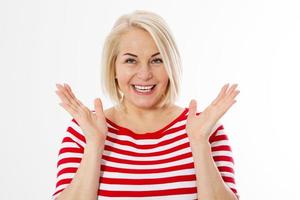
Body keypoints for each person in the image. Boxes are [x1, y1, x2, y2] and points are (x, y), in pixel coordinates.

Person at [52, 10, 240, 200]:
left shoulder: (206, 130)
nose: (144, 74)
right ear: (113, 68)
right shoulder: (84, 130)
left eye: (157, 60)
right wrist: (94, 145)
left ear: (171, 66)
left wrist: (199, 143)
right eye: (131, 60)